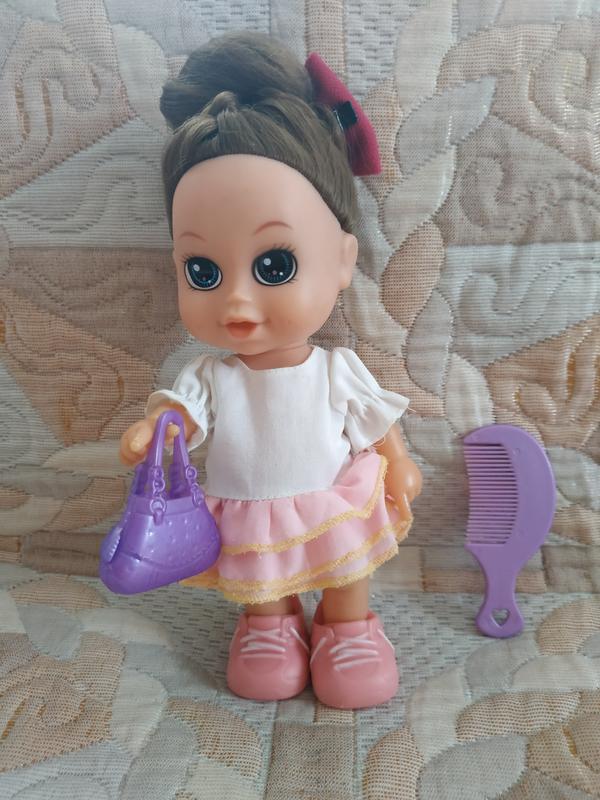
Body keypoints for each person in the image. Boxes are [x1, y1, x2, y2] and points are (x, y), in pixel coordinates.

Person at [119, 31, 422, 709]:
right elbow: (181, 412)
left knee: (346, 566)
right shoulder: (213, 375)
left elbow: (374, 423)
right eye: (203, 271)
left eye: (274, 265)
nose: (237, 301)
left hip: (330, 494)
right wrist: (155, 432)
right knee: (261, 572)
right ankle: (270, 624)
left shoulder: (336, 369)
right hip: (249, 505)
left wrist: (398, 462)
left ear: (341, 259)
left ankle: (347, 628)